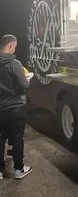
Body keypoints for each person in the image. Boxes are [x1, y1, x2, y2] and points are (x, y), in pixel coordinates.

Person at [0, 35, 33, 179]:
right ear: (11, 46)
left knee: (1, 138)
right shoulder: (15, 64)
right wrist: (27, 80)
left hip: (1, 108)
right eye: (15, 47)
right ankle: (19, 170)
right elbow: (23, 85)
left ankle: (0, 171)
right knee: (18, 138)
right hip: (16, 107)